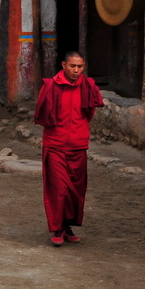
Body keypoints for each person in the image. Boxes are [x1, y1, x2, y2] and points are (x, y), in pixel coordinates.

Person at [33, 51, 104, 246]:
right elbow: (42, 114)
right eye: (72, 66)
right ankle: (57, 228)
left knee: (75, 189)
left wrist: (79, 132)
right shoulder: (50, 87)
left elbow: (89, 111)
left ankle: (68, 225)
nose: (76, 70)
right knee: (58, 188)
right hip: (55, 144)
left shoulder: (88, 86)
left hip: (78, 145)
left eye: (80, 67)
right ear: (64, 65)